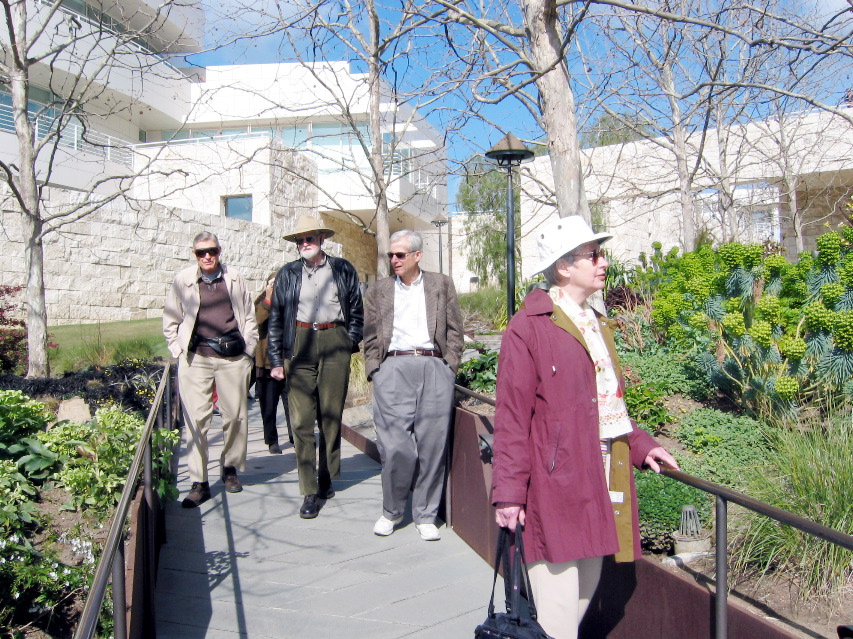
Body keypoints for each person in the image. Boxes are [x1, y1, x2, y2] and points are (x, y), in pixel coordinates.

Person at [491, 215, 679, 639]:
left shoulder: (595, 323)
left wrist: (641, 444)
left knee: (571, 618)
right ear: (563, 266)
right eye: (593, 254)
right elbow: (512, 418)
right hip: (553, 492)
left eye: (600, 253)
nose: (603, 261)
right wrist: (508, 493)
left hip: (598, 487)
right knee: (557, 625)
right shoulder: (529, 327)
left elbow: (606, 403)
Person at [364, 229, 464, 541]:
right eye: (391, 255)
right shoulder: (377, 291)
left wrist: (450, 366)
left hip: (434, 366)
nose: (393, 259)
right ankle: (391, 511)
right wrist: (375, 371)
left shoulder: (441, 284)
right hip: (393, 368)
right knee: (396, 448)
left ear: (417, 256)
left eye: (400, 254)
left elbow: (454, 329)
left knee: (433, 446)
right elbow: (368, 337)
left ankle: (425, 515)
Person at [268, 216, 363, 519]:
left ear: (322, 239)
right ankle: (309, 490)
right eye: (299, 240)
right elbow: (275, 318)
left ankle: (327, 475)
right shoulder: (287, 273)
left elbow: (357, 309)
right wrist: (275, 359)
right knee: (300, 421)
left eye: (309, 238)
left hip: (334, 339)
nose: (304, 244)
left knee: (330, 416)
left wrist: (349, 341)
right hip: (299, 342)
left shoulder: (342, 268)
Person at [163, 231, 258, 508]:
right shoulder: (183, 280)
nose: (207, 256)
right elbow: (171, 317)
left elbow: (249, 317)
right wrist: (177, 349)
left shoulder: (235, 278)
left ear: (219, 251)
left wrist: (248, 352)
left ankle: (229, 469)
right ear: (194, 254)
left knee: (236, 417)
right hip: (196, 357)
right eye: (201, 252)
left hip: (232, 357)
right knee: (196, 420)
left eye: (212, 251)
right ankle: (199, 482)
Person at [254, 272, 293, 455]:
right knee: (268, 405)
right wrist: (268, 299)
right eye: (272, 283)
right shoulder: (260, 302)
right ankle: (272, 440)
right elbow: (256, 322)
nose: (276, 286)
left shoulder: (291, 300)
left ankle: (296, 436)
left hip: (288, 361)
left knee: (293, 404)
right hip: (267, 363)